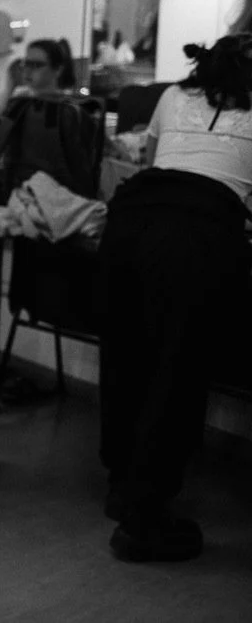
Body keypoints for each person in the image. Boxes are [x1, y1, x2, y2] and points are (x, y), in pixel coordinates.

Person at [99, 34, 252, 562]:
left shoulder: (172, 96)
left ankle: (122, 489)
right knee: (175, 374)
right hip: (195, 240)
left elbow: (152, 162)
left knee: (126, 360)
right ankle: (145, 522)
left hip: (129, 222)